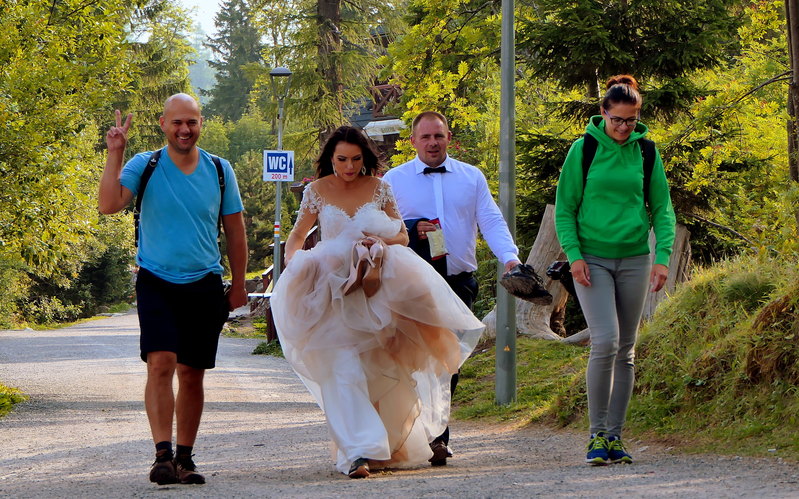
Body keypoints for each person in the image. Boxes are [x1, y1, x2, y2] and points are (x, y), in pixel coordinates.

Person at [270, 126, 484, 479]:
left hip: (379, 284)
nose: (349, 167)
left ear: (364, 158)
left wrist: (378, 242)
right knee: (343, 367)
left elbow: (401, 233)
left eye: (355, 159)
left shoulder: (381, 188)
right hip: (334, 290)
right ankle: (357, 451)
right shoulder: (316, 191)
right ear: (330, 158)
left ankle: (383, 445)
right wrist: (297, 265)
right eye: (341, 160)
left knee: (379, 368)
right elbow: (296, 235)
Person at [98, 93, 248, 485]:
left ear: (201, 124)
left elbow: (235, 230)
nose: (185, 130)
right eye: (177, 122)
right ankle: (162, 455)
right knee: (161, 363)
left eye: (192, 122)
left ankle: (185, 458)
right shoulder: (143, 164)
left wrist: (239, 283)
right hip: (157, 279)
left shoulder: (219, 170)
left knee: (193, 373)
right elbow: (109, 204)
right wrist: (115, 152)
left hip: (204, 282)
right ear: (163, 124)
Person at [382, 111, 524, 466]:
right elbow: (380, 227)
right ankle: (409, 432)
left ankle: (437, 436)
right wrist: (412, 227)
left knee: (449, 360)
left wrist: (509, 257)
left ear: (449, 138)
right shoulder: (393, 180)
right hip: (411, 281)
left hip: (458, 281)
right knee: (411, 360)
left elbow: (490, 219)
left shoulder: (470, 177)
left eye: (439, 136)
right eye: (426, 137)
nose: (433, 143)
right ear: (413, 141)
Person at [554, 75, 676, 466]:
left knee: (626, 349)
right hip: (592, 260)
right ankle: (595, 436)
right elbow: (565, 208)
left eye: (631, 120)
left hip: (636, 259)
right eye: (617, 120)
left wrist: (662, 257)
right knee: (605, 341)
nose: (623, 128)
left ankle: (615, 437)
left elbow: (662, 208)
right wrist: (574, 256)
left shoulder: (647, 152)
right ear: (603, 113)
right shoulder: (584, 149)